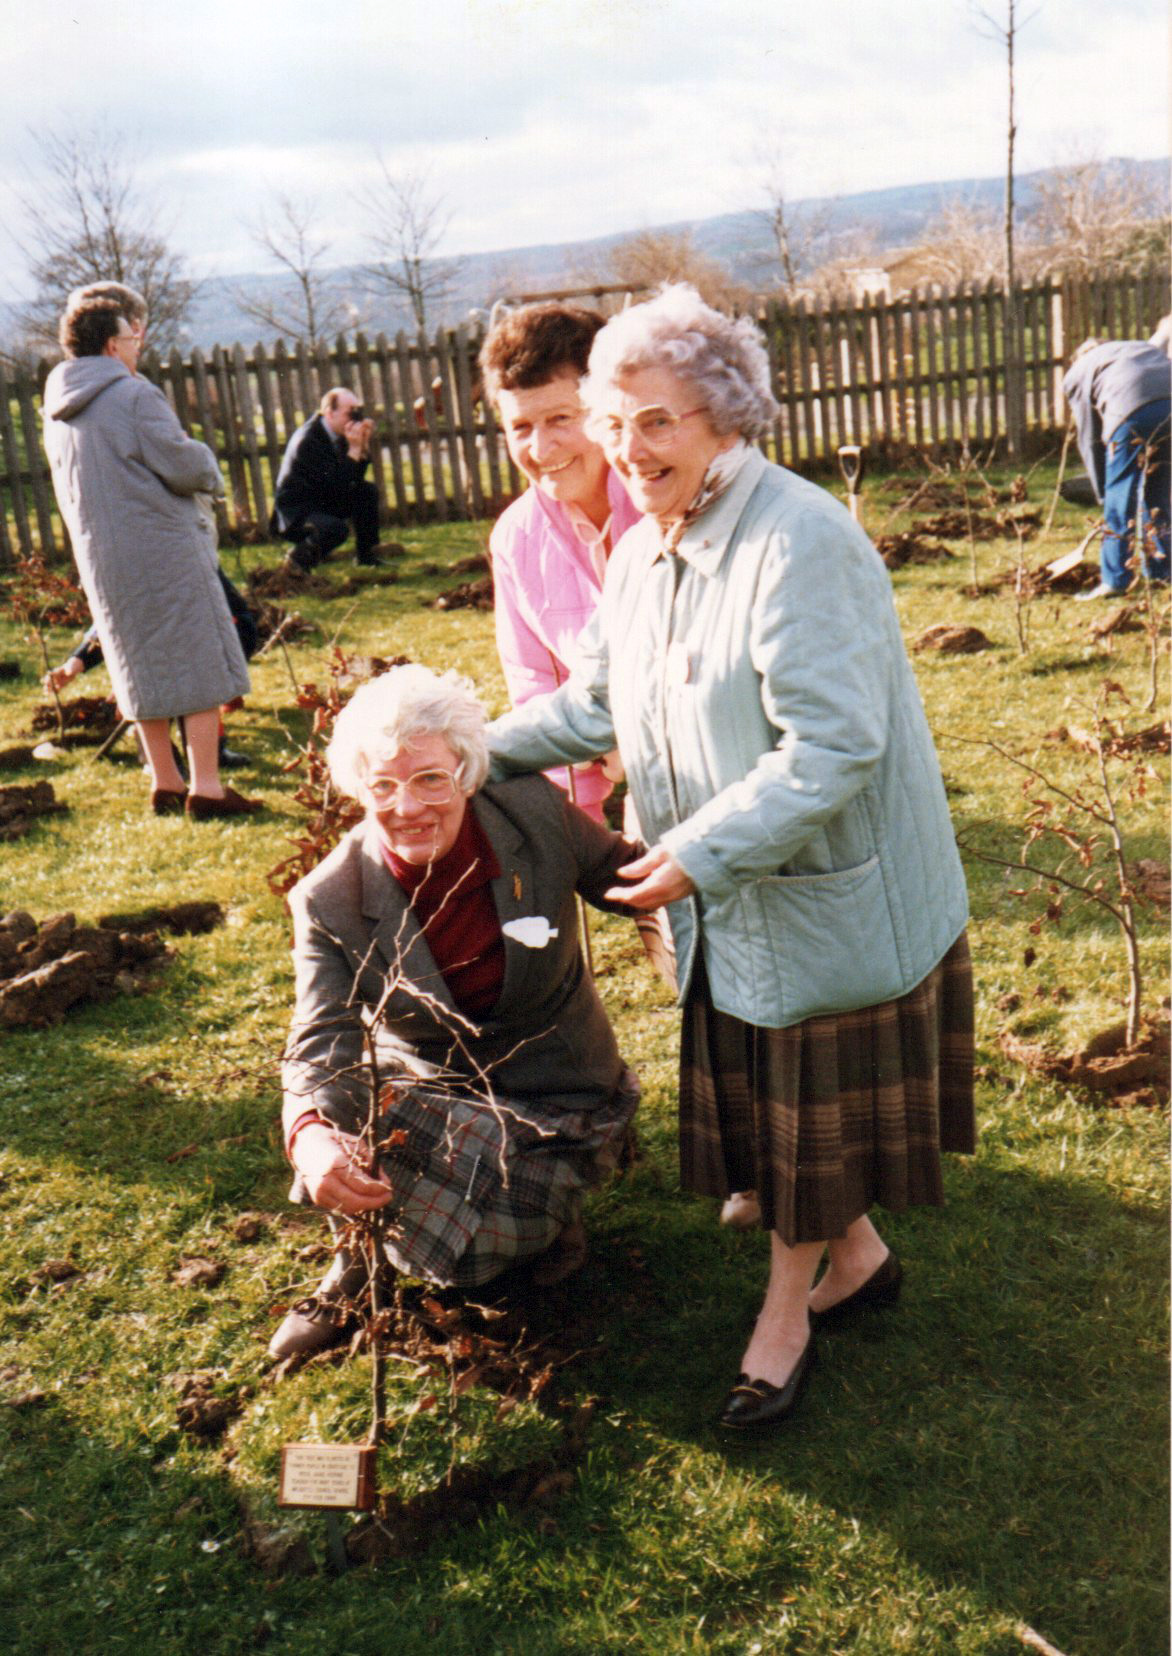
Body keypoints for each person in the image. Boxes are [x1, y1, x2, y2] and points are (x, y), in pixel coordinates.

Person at [486, 285, 974, 1432]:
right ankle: (852, 1260)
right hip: (729, 893)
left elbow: (834, 747)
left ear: (723, 417)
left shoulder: (799, 540)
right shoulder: (645, 548)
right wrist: (454, 753)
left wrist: (696, 853)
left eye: (652, 420)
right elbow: (594, 702)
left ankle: (783, 1318)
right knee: (778, 1105)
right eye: (611, 421)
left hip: (821, 895)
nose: (623, 447)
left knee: (797, 1102)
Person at [269, 663, 640, 1361]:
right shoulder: (330, 899)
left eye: (430, 779)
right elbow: (318, 1041)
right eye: (382, 786)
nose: (407, 806)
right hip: (435, 1095)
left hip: (558, 1089)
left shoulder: (532, 815)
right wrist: (312, 1140)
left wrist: (722, 855)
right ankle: (356, 1265)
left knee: (492, 1244)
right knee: (346, 1113)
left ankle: (547, 1219)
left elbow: (629, 878)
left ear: (466, 772)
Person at [42, 283, 260, 819]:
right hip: (164, 552)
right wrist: (209, 463)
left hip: (103, 560)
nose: (137, 343)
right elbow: (182, 465)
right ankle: (206, 788)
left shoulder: (56, 413)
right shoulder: (134, 395)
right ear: (111, 346)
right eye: (129, 335)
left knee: (135, 663)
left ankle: (164, 783)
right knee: (199, 660)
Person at [480, 303, 641, 823]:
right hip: (606, 761)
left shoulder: (664, 501)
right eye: (520, 426)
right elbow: (536, 686)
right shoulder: (515, 538)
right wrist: (584, 828)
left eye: (561, 419)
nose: (541, 447)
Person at [1062, 336, 1171, 599]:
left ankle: (1115, 580)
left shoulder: (1078, 371)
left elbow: (1089, 436)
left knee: (1120, 499)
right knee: (1157, 495)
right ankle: (1163, 572)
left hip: (1131, 410)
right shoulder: (1139, 347)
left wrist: (1104, 492)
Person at [270, 387, 381, 573]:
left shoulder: (338, 432)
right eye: (350, 413)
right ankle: (296, 563)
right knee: (336, 529)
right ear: (330, 413)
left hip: (321, 500)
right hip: (296, 513)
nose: (355, 419)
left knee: (366, 492)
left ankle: (366, 556)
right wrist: (353, 451)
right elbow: (337, 485)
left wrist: (362, 447)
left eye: (358, 412)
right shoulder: (308, 441)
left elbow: (354, 480)